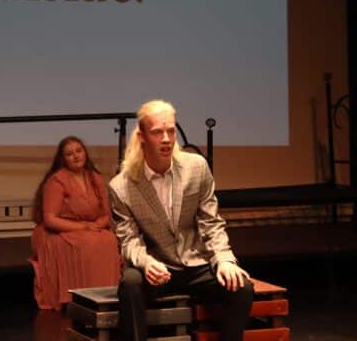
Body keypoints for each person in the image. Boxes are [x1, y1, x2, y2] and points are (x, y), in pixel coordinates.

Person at [109, 100, 254, 341]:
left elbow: (211, 222)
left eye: (171, 131)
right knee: (130, 282)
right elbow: (128, 240)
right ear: (142, 136)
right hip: (158, 268)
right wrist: (146, 263)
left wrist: (224, 259)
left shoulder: (196, 168)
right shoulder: (122, 187)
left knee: (241, 286)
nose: (166, 139)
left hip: (195, 263)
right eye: (157, 132)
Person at [29, 135, 121, 310]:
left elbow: (106, 212)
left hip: (91, 229)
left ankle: (107, 296)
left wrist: (98, 225)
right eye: (70, 154)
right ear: (63, 159)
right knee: (87, 243)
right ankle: (81, 298)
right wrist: (85, 227)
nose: (76, 156)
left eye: (79, 151)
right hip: (59, 230)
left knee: (108, 239)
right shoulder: (57, 181)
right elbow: (50, 220)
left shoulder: (95, 177)